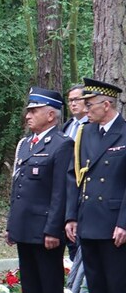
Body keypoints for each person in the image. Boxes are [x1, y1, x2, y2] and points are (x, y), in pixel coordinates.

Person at [6, 87, 72, 293]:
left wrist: (53, 229)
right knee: (30, 282)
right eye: (28, 111)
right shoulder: (25, 144)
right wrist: (11, 224)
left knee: (49, 281)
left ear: (51, 115)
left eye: (34, 111)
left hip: (46, 228)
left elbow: (60, 192)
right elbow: (16, 188)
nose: (28, 116)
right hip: (24, 225)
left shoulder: (62, 144)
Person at [66, 78, 126, 293]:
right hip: (89, 220)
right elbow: (75, 178)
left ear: (107, 104)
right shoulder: (86, 133)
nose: (84, 109)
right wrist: (71, 216)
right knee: (97, 286)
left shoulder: (125, 133)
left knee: (116, 285)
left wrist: (124, 222)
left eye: (89, 104)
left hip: (114, 222)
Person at [62, 84, 87, 262]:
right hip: (63, 192)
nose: (73, 104)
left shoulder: (92, 127)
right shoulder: (67, 127)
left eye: (76, 99)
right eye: (70, 100)